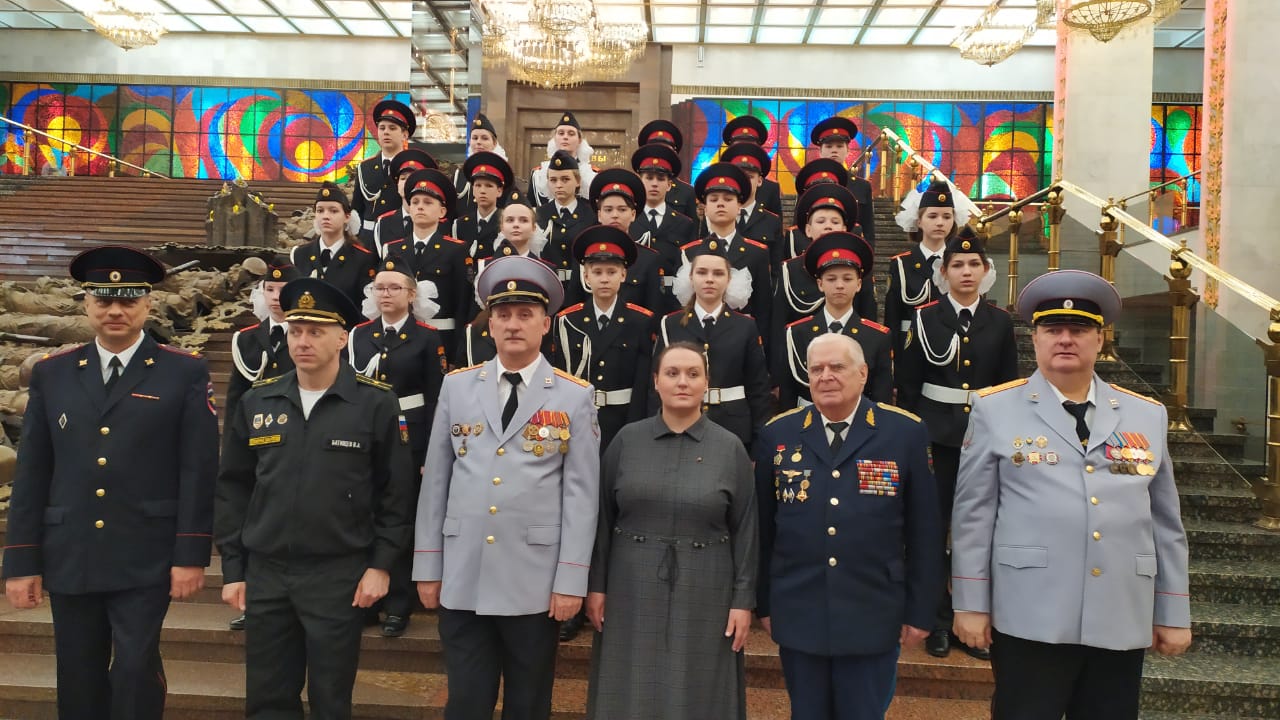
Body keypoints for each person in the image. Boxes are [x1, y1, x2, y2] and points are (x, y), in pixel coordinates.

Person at [951, 270, 1191, 720]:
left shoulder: (1146, 414)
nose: (1065, 339)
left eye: (1079, 329)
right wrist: (970, 603)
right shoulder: (994, 408)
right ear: (1035, 339)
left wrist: (1173, 610)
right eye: (1052, 329)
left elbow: (1166, 524)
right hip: (1029, 611)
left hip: (1120, 610)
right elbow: (972, 517)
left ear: (1100, 339)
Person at [3, 245, 220, 720]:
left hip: (146, 552)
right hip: (71, 550)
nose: (115, 310)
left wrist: (190, 554)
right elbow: (33, 471)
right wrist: (20, 561)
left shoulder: (183, 371)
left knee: (134, 669)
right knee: (77, 675)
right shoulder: (53, 373)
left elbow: (198, 469)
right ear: (87, 304)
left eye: (128, 300)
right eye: (103, 300)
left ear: (148, 304)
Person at [216, 277, 415, 720]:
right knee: (267, 698)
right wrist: (233, 568)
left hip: (338, 573)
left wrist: (382, 565)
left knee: (330, 698)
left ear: (342, 338)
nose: (303, 341)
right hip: (267, 571)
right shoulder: (259, 400)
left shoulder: (374, 404)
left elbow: (396, 494)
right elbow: (233, 488)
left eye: (316, 332)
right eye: (296, 331)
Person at [414, 255, 601, 720]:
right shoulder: (457, 387)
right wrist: (427, 566)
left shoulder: (574, 395)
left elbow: (581, 496)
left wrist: (571, 580)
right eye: (503, 315)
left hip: (534, 581)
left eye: (525, 314)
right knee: (466, 702)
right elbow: (436, 482)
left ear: (545, 323)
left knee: (528, 703)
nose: (513, 324)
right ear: (490, 324)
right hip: (464, 573)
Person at [756, 333, 942, 720]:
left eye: (837, 367)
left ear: (862, 373)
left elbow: (924, 531)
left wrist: (922, 609)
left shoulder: (903, 432)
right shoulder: (778, 434)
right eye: (816, 369)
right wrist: (765, 602)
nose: (825, 376)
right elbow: (763, 530)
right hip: (799, 607)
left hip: (873, 609)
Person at [585, 341, 757, 720]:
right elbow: (602, 519)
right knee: (629, 684)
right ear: (656, 382)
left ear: (706, 383)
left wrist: (743, 601)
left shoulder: (729, 448)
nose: (683, 382)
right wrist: (597, 586)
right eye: (672, 373)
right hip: (630, 583)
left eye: (693, 374)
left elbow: (746, 529)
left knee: (699, 684)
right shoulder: (627, 440)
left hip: (707, 585)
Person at [895, 227, 1017, 661]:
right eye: (958, 265)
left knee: (979, 529)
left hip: (983, 437)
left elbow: (1008, 385)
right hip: (936, 436)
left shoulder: (1000, 321)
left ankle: (974, 619)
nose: (966, 271)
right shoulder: (925, 318)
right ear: (943, 273)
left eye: (974, 264)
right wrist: (913, 437)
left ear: (986, 271)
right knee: (933, 528)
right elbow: (908, 384)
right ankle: (936, 620)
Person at [349, 255, 447, 637]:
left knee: (402, 515)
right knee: (367, 512)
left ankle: (398, 602)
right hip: (368, 434)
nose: (386, 294)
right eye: (380, 288)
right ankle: (366, 599)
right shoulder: (359, 334)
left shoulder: (427, 336)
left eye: (394, 287)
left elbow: (437, 397)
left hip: (410, 435)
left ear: (411, 294)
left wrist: (430, 452)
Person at [225, 255, 300, 632]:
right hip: (254, 442)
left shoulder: (306, 335)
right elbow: (236, 398)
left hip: (294, 442)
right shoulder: (246, 339)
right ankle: (251, 597)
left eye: (283, 290)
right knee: (250, 518)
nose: (275, 297)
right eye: (270, 289)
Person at [656, 250, 771, 450]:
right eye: (702, 272)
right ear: (690, 278)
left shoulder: (745, 326)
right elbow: (657, 386)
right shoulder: (670, 324)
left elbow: (758, 388)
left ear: (729, 280)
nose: (709, 279)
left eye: (718, 273)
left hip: (734, 429)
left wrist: (758, 446)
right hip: (681, 426)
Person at [552, 225, 653, 451]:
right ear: (586, 276)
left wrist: (636, 428)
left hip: (623, 420)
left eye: (611, 272)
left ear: (623, 275)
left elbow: (642, 383)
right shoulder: (568, 321)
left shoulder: (640, 321)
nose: (604, 279)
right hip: (578, 419)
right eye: (597, 272)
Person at [777, 231, 891, 410]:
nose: (839, 285)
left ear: (859, 284)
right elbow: (788, 394)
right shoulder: (796, 333)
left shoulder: (877, 337)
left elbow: (881, 397)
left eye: (847, 279)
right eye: (831, 279)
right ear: (820, 284)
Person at [771, 183, 876, 358]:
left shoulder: (859, 269)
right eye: (821, 221)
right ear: (808, 229)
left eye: (835, 222)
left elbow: (868, 320)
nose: (828, 226)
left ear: (845, 229)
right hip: (801, 358)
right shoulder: (790, 270)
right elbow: (778, 325)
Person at [380, 167, 473, 360]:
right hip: (400, 340)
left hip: (442, 339)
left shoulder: (456, 250)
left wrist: (457, 354)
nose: (420, 207)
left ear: (442, 211)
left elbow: (462, 304)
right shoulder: (393, 249)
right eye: (415, 202)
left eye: (428, 202)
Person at [680, 163, 772, 348]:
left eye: (728, 199)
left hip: (740, 342)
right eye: (713, 199)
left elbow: (763, 308)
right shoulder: (688, 252)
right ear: (705, 208)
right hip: (696, 341)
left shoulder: (756, 253)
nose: (720, 204)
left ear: (739, 206)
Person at [458, 203, 555, 367]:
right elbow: (474, 310)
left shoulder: (545, 269)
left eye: (523, 220)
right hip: (489, 335)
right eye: (510, 220)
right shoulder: (484, 266)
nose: (516, 225)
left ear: (534, 228)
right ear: (501, 227)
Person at [885, 179, 966, 355]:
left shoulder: (960, 263)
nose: (940, 222)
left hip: (950, 347)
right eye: (932, 216)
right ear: (919, 221)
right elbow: (892, 317)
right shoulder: (901, 264)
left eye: (947, 216)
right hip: (910, 347)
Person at [568, 168, 664, 315]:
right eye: (608, 210)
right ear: (599, 215)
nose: (615, 215)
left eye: (622, 209)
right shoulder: (584, 255)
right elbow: (573, 305)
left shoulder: (649, 259)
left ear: (633, 214)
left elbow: (654, 310)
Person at [631, 143, 698, 312]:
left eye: (661, 179)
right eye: (649, 178)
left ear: (669, 185)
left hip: (671, 300)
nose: (654, 184)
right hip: (634, 298)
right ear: (640, 181)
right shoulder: (629, 219)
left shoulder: (685, 224)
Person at [291, 182, 378, 309]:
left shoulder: (362, 258)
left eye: (333, 211)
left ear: (347, 217)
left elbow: (366, 308)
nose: (326, 216)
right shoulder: (300, 254)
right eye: (320, 211)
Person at [703, 142, 784, 272]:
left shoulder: (772, 221)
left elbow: (776, 266)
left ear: (759, 181)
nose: (745, 181)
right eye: (739, 176)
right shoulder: (714, 215)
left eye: (750, 177)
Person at [352, 99, 415, 246]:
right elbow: (357, 209)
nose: (386, 132)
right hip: (368, 241)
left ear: (405, 135)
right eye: (382, 128)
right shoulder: (365, 167)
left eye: (392, 128)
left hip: (401, 239)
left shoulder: (413, 168)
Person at [811, 115, 877, 250]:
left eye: (840, 146)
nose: (834, 150)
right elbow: (798, 228)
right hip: (816, 251)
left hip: (851, 251)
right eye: (829, 146)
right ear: (820, 151)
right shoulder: (810, 185)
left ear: (848, 150)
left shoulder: (862, 186)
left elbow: (868, 231)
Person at [536, 149, 599, 285]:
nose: (559, 185)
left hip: (581, 285)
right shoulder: (539, 215)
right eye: (553, 180)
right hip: (548, 285)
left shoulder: (591, 214)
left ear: (578, 181)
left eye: (565, 179)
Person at [371, 147, 439, 256]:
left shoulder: (440, 223)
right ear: (397, 185)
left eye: (413, 177)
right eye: (403, 178)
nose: (407, 182)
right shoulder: (383, 223)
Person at [528, 110, 597, 207]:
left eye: (571, 134)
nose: (565, 137)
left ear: (580, 140)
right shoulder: (538, 175)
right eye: (561, 133)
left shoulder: (592, 174)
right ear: (554, 138)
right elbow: (532, 208)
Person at [454, 151, 514, 262]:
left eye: (489, 186)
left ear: (499, 191)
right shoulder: (459, 224)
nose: (482, 191)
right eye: (478, 185)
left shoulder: (507, 223)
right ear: (473, 190)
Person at [720, 115, 782, 217]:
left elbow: (776, 223)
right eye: (739, 145)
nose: (745, 148)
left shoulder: (771, 188)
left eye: (750, 144)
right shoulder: (720, 185)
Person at [637, 119, 697, 219]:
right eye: (655, 149)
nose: (660, 154)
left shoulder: (687, 192)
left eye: (665, 150)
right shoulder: (635, 190)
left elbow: (692, 226)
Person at [453, 113, 510, 209]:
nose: (478, 142)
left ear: (494, 143)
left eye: (484, 138)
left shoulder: (503, 174)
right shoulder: (458, 175)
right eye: (475, 138)